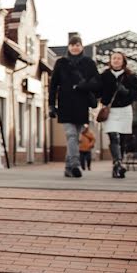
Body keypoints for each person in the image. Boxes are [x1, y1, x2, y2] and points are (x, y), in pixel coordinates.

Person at [49, 34, 99, 178]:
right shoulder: (61, 63)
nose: (75, 47)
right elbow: (53, 86)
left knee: (75, 137)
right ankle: (76, 164)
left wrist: (84, 85)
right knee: (71, 134)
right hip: (65, 104)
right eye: (72, 45)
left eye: (77, 45)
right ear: (68, 47)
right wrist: (51, 105)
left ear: (81, 47)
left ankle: (68, 168)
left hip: (81, 104)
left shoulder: (89, 63)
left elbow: (97, 83)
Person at [95, 51, 137, 178]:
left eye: (118, 58)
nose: (116, 60)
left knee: (123, 139)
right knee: (114, 136)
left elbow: (136, 95)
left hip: (125, 110)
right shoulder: (104, 75)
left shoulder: (130, 77)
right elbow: (97, 92)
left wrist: (126, 92)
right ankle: (118, 163)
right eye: (113, 58)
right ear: (110, 60)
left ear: (123, 61)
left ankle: (117, 166)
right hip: (110, 111)